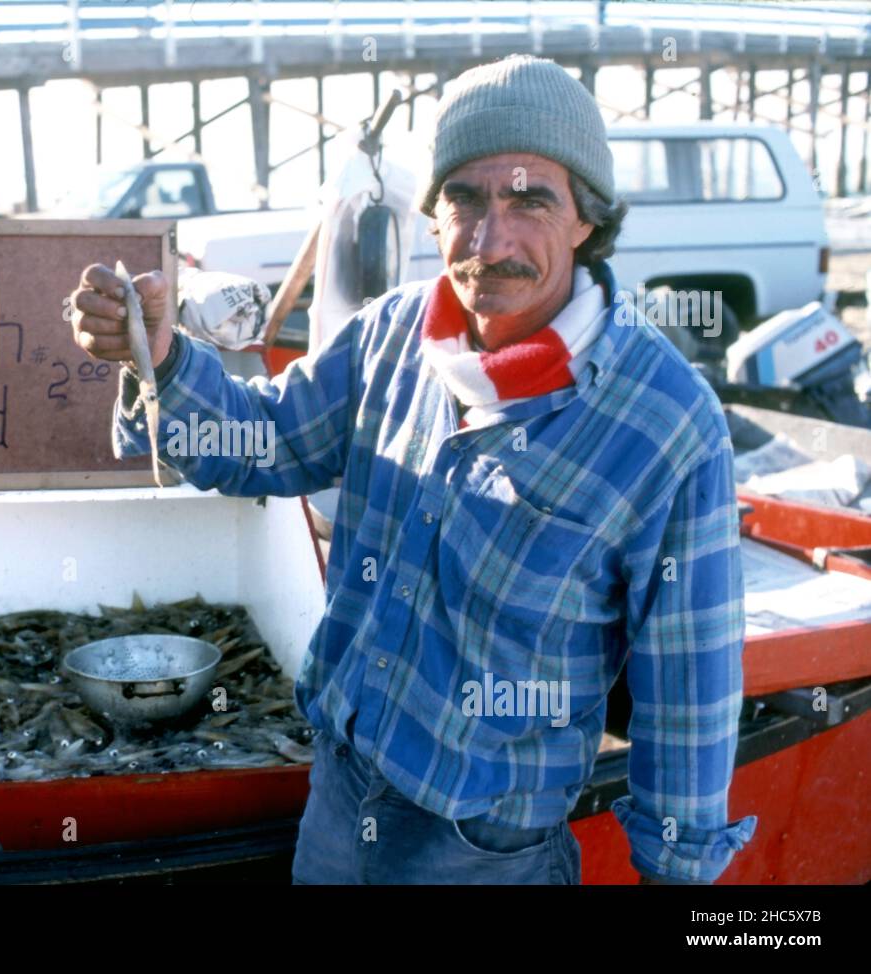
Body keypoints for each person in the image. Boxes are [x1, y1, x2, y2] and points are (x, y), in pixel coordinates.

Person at [68, 54, 757, 885]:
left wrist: (680, 879)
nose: (491, 239)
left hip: (484, 855)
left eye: (530, 198)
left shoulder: (667, 423)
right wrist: (165, 358)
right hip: (337, 803)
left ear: (586, 219)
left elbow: (689, 692)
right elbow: (263, 442)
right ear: (431, 216)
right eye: (464, 198)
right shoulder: (390, 336)